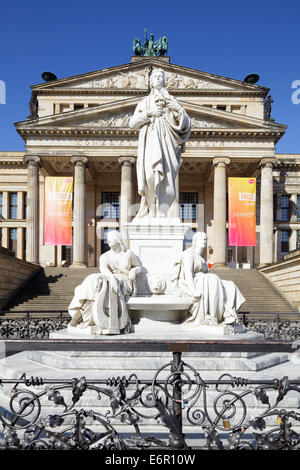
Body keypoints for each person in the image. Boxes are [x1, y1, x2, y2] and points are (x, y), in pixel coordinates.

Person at [129, 69, 191, 218]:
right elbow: (132, 123)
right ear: (150, 82)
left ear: (165, 81)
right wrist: (149, 113)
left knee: (167, 178)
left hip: (168, 143)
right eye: (154, 77)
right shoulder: (144, 102)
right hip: (150, 140)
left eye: (160, 77)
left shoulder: (172, 101)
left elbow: (186, 123)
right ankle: (151, 210)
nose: (157, 78)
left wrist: (176, 109)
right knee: (150, 175)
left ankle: (162, 211)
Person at [68, 231, 141, 335]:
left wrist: (133, 271)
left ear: (118, 239)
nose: (109, 240)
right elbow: (103, 269)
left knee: (104, 284)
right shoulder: (105, 256)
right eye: (108, 238)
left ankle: (85, 317)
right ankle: (83, 313)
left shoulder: (128, 254)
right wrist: (111, 277)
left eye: (111, 238)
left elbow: (138, 267)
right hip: (110, 278)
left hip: (124, 281)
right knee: (93, 279)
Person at [172, 232, 245, 326]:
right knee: (213, 278)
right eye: (201, 239)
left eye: (205, 239)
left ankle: (228, 315)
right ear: (195, 241)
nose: (204, 241)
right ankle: (212, 317)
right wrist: (193, 291)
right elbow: (188, 273)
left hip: (203, 280)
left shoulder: (202, 258)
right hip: (194, 282)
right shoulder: (189, 254)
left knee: (229, 285)